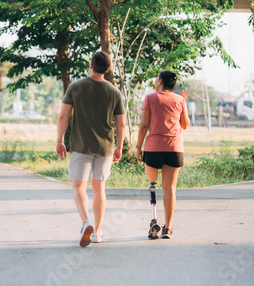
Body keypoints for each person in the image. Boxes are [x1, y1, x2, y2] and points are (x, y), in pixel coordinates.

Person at [56, 51, 126, 247]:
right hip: (105, 147)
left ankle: (85, 221)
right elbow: (121, 124)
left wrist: (59, 140)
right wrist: (119, 146)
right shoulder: (114, 91)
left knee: (78, 186)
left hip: (80, 146)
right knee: (99, 188)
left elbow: (63, 116)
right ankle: (98, 231)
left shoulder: (76, 87)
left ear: (91, 65)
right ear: (108, 69)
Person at [136, 71, 190, 239]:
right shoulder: (179, 100)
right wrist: (182, 104)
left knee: (152, 181)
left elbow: (144, 125)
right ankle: (168, 228)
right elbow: (185, 125)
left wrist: (139, 147)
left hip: (153, 148)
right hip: (174, 148)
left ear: (159, 81)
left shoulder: (150, 98)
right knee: (170, 189)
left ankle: (154, 219)